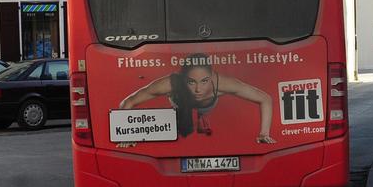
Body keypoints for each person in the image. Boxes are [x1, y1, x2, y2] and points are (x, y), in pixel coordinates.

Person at [118, 54, 275, 145]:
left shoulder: (223, 83)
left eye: (204, 81)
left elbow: (265, 99)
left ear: (211, 77)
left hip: (208, 106)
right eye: (191, 82)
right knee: (184, 120)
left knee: (202, 116)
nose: (198, 90)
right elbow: (128, 101)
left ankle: (200, 119)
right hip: (180, 102)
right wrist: (126, 136)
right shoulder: (171, 83)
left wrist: (264, 133)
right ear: (183, 79)